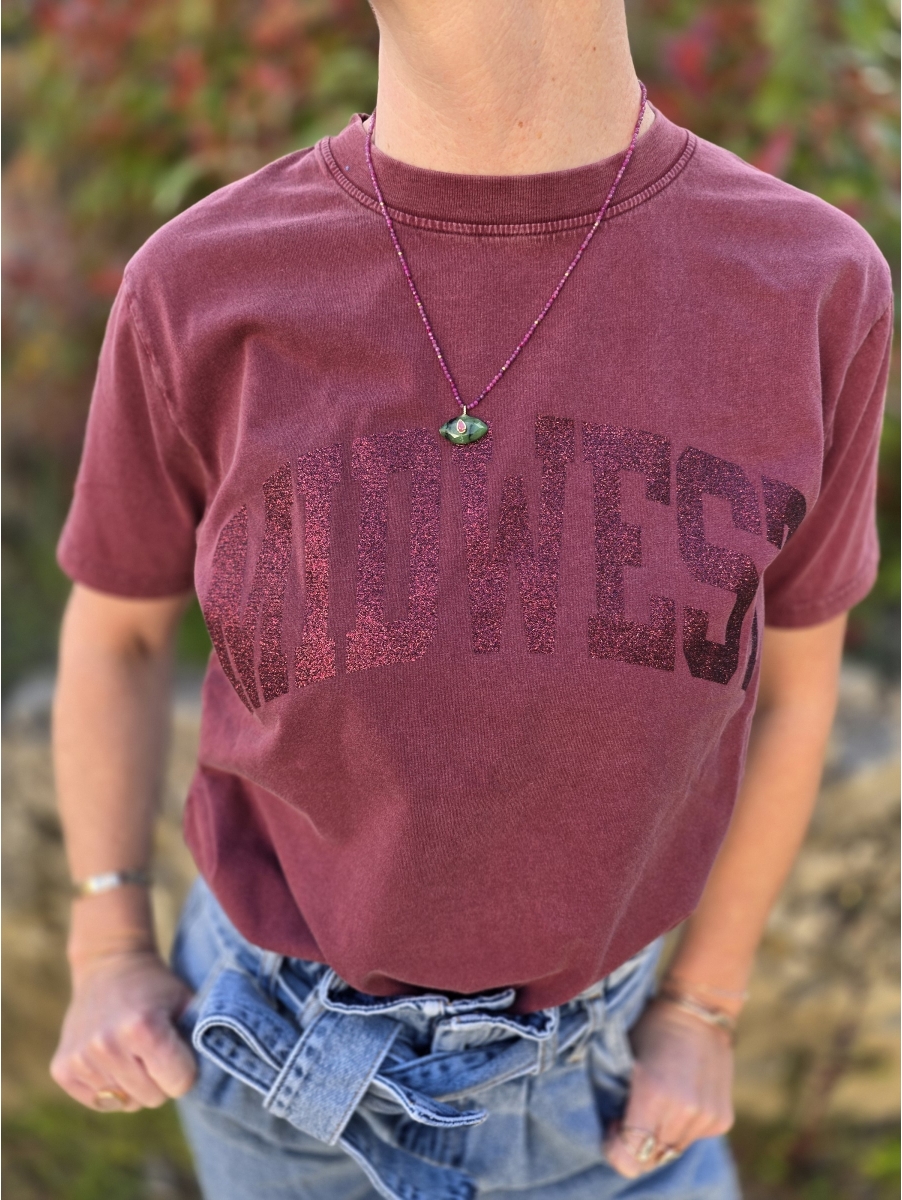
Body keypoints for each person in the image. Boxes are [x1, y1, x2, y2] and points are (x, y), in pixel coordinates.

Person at [49, 1, 892, 1196]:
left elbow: (798, 685)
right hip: (274, 1072)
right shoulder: (198, 281)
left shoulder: (807, 281)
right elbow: (119, 635)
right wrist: (106, 947)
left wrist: (704, 1006)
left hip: (607, 1101)